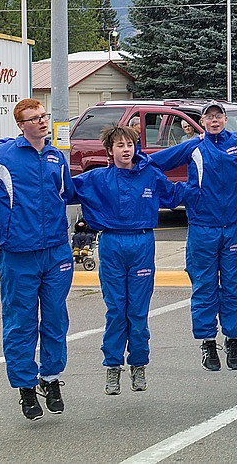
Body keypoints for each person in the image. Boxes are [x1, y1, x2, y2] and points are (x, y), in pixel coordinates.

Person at [0, 99, 76, 421]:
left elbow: (67, 193)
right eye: (34, 119)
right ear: (20, 125)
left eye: (44, 116)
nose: (42, 122)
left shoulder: (56, 156)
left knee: (55, 319)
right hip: (18, 253)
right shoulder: (3, 157)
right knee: (21, 323)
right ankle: (25, 387)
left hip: (56, 251)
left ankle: (51, 378)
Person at [149, 101, 237, 373]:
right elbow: (153, 163)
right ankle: (208, 342)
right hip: (203, 228)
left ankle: (233, 339)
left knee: (234, 286)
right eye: (209, 116)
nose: (214, 120)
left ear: (225, 119)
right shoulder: (194, 147)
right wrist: (181, 193)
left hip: (232, 229)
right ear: (202, 122)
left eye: (218, 116)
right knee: (204, 287)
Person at [72, 124, 186, 396]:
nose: (126, 149)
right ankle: (112, 367)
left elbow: (176, 195)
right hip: (111, 243)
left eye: (130, 144)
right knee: (116, 310)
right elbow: (61, 189)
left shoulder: (150, 175)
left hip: (142, 242)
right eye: (120, 145)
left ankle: (138, 364)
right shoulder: (96, 178)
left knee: (137, 311)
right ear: (110, 151)